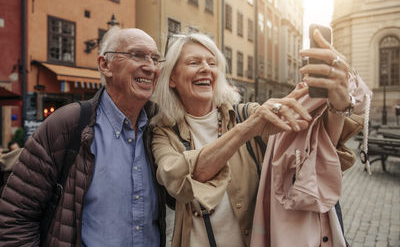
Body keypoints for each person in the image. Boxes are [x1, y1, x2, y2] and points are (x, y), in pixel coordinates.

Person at [150, 32, 370, 247]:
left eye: (212, 62)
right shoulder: (164, 133)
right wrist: (246, 130)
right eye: (193, 62)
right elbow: (176, 180)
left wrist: (337, 104)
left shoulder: (247, 113)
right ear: (171, 78)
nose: (206, 68)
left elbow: (311, 147)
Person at [0, 27, 166, 247]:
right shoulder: (67, 125)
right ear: (105, 65)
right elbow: (16, 217)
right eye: (137, 55)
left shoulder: (161, 129)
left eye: (155, 59)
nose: (150, 67)